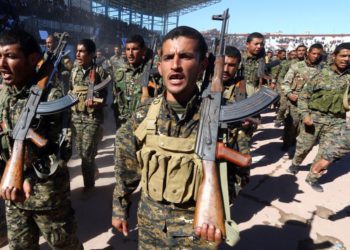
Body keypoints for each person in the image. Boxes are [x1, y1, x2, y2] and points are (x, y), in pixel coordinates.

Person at [112, 26, 228, 248]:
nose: (175, 65)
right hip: (150, 226)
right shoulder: (142, 116)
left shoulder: (221, 119)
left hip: (199, 228)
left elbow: (238, 173)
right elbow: (125, 168)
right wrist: (120, 209)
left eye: (185, 57)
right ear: (159, 66)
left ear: (203, 65)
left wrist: (218, 206)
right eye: (168, 58)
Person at [0, 28, 82, 249]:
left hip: (48, 200)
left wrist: (30, 173)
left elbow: (63, 153)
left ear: (33, 59)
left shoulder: (52, 96)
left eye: (11, 56)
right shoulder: (4, 96)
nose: (2, 64)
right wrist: (14, 175)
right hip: (15, 197)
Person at [287, 43, 350, 192]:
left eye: (349, 56)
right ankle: (295, 164)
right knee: (304, 146)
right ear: (334, 56)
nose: (346, 59)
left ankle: (313, 177)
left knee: (326, 152)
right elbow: (303, 96)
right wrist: (305, 114)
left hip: (337, 121)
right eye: (343, 55)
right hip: (314, 118)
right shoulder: (320, 73)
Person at [70, 38, 108, 190]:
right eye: (77, 51)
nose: (77, 54)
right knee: (81, 152)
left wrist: (96, 102)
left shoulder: (99, 72)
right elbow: (71, 91)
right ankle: (92, 168)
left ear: (92, 54)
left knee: (86, 154)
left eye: (82, 51)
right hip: (76, 117)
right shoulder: (74, 71)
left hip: (92, 118)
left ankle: (89, 187)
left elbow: (105, 97)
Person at [222, 46, 252, 199]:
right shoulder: (201, 85)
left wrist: (247, 121)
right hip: (206, 139)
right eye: (223, 64)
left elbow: (255, 119)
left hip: (235, 142)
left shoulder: (245, 88)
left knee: (234, 184)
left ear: (238, 66)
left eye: (231, 65)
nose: (226, 69)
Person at [281, 43, 323, 152]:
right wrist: (290, 94)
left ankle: (299, 148)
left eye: (318, 54)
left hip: (312, 104)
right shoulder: (297, 66)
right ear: (308, 53)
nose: (316, 56)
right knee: (291, 125)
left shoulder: (323, 69)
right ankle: (287, 143)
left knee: (305, 127)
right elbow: (285, 83)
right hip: (295, 102)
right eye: (313, 53)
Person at [112, 34, 146, 129]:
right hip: (123, 123)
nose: (130, 53)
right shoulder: (120, 72)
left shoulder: (150, 74)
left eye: (135, 49)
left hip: (143, 125)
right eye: (127, 49)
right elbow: (115, 98)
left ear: (143, 51)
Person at [241, 32, 266, 97]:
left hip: (258, 92)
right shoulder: (240, 59)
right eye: (256, 44)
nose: (259, 46)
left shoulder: (261, 60)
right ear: (247, 44)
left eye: (261, 44)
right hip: (242, 93)